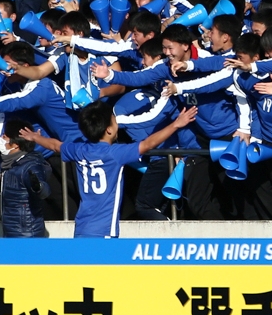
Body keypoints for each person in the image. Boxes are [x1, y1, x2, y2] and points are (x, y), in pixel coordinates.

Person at [26, 100, 197, 238]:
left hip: (81, 228)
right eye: (115, 121)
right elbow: (148, 144)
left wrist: (35, 137)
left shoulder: (78, 150)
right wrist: (176, 124)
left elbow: (56, 146)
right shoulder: (115, 153)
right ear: (109, 130)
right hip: (104, 231)